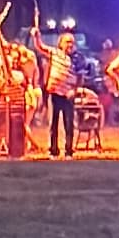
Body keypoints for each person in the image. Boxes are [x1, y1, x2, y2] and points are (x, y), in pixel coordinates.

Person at [43, 28, 77, 161]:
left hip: (68, 94)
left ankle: (69, 151)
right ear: (61, 43)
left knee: (69, 123)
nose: (70, 45)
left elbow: (80, 76)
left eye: (72, 42)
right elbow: (40, 47)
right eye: (67, 42)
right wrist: (36, 36)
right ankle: (53, 151)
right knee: (53, 123)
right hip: (55, 92)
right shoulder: (54, 53)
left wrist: (75, 89)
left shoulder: (77, 58)